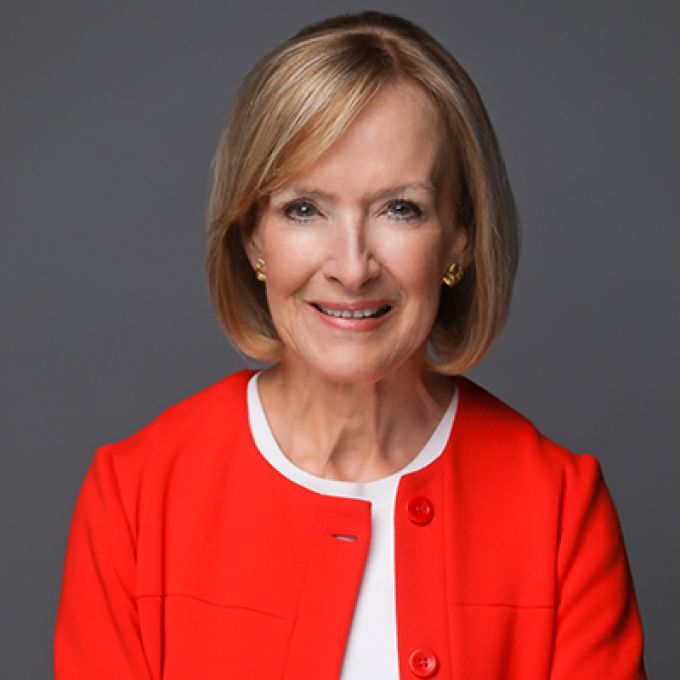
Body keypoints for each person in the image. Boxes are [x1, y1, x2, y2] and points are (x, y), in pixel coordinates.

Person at [53, 10, 646, 679]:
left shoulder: (559, 509)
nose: (352, 265)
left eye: (401, 209)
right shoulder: (134, 498)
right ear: (253, 237)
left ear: (459, 238)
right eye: (304, 208)